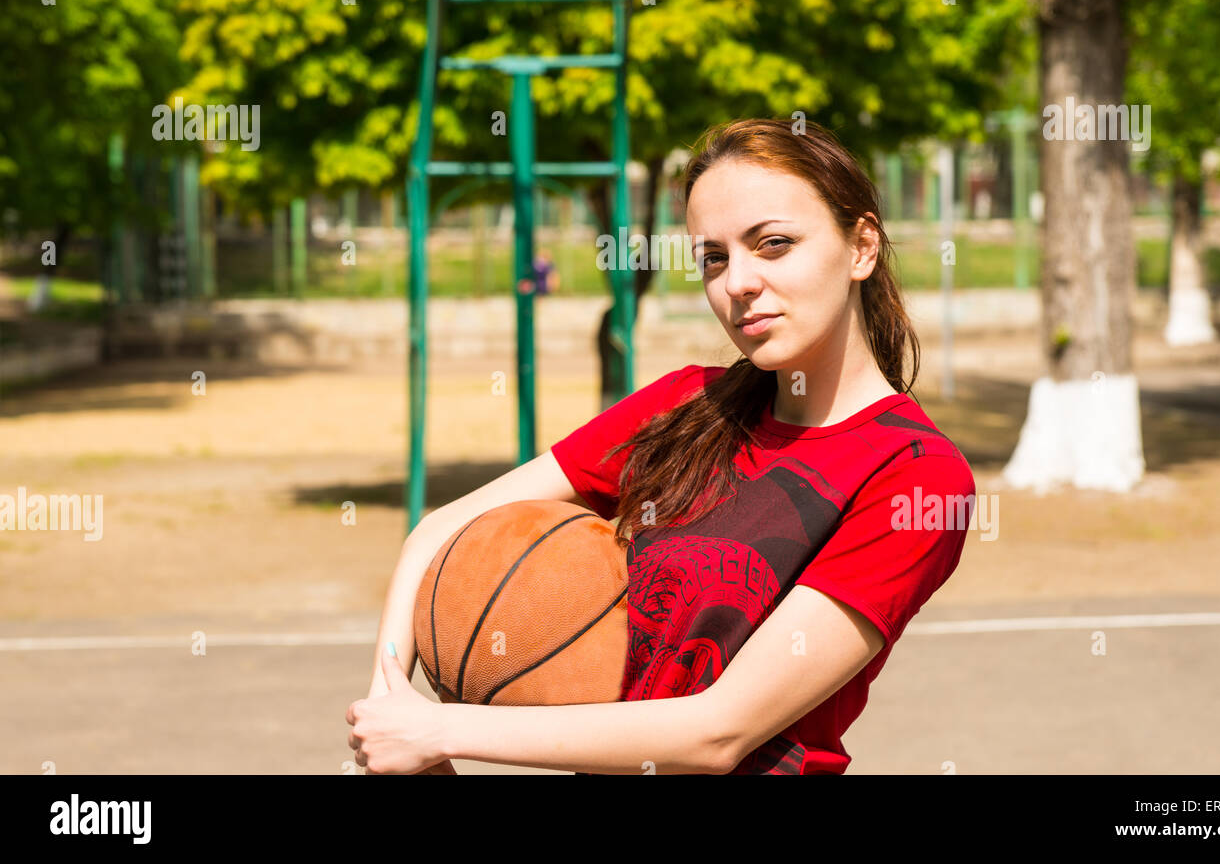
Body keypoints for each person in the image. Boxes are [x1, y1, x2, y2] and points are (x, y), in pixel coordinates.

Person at [347, 117, 977, 775]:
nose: (738, 283)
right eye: (715, 257)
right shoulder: (687, 405)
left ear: (862, 247)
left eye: (774, 244)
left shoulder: (919, 478)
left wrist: (441, 730)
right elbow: (439, 532)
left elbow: (717, 733)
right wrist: (392, 711)